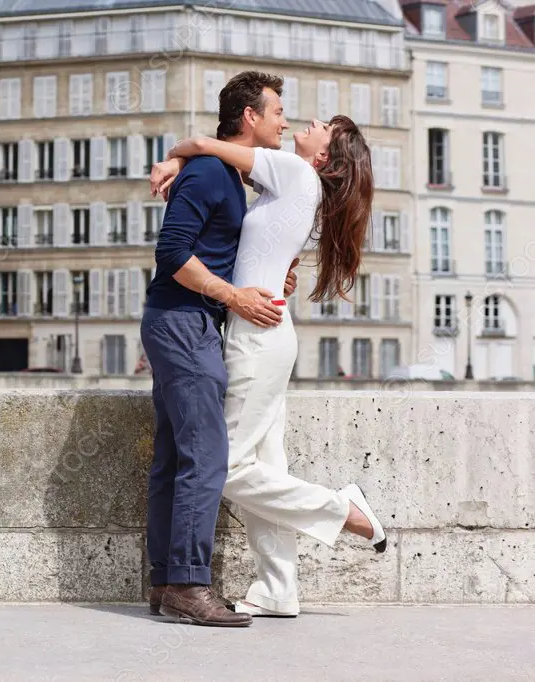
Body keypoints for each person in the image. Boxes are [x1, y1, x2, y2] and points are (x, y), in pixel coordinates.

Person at [149, 89, 388, 618]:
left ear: (323, 156)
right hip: (267, 330)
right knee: (266, 461)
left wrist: (174, 156)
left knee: (223, 465)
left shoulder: (294, 173)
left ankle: (343, 510)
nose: (306, 121)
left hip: (256, 334)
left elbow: (203, 143)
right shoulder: (292, 184)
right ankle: (278, 586)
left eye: (321, 125)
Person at [140, 72, 302, 628]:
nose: (284, 120)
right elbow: (172, 252)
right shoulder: (212, 172)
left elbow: (219, 246)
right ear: (250, 117)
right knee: (208, 456)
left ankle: (167, 582)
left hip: (187, 322)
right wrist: (233, 295)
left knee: (176, 458)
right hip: (184, 322)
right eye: (278, 110)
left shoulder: (225, 174)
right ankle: (188, 584)